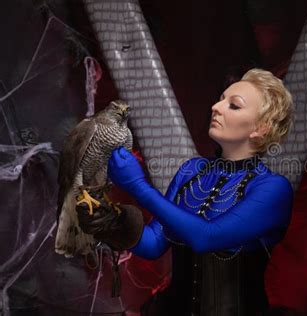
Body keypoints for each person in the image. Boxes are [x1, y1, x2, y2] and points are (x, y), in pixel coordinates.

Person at [77, 68, 294, 316]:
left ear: (261, 128)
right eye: (221, 98)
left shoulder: (273, 188)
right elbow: (155, 245)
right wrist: (111, 222)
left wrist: (137, 185)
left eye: (233, 105)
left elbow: (207, 238)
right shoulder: (192, 171)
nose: (216, 107)